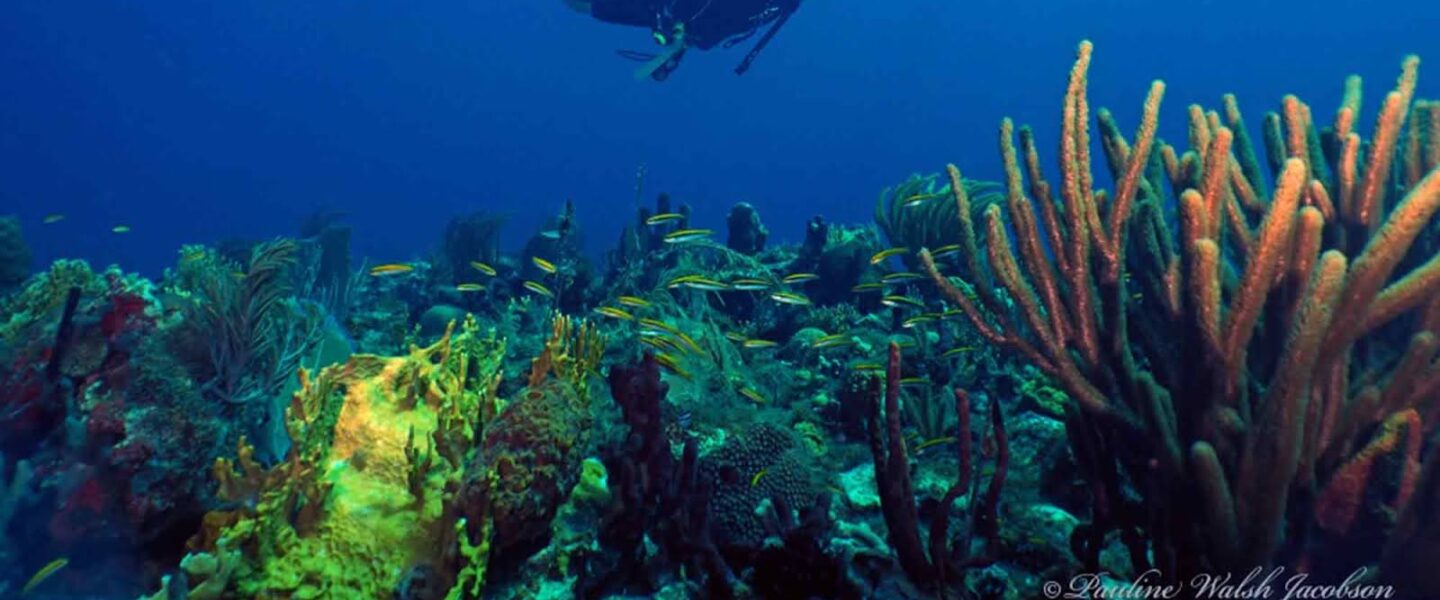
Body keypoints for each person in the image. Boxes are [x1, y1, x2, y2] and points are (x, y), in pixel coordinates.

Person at [564, 0, 803, 80]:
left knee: (586, 5)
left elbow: (732, 20)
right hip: (677, 19)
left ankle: (684, 31)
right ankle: (684, 31)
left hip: (675, 17)